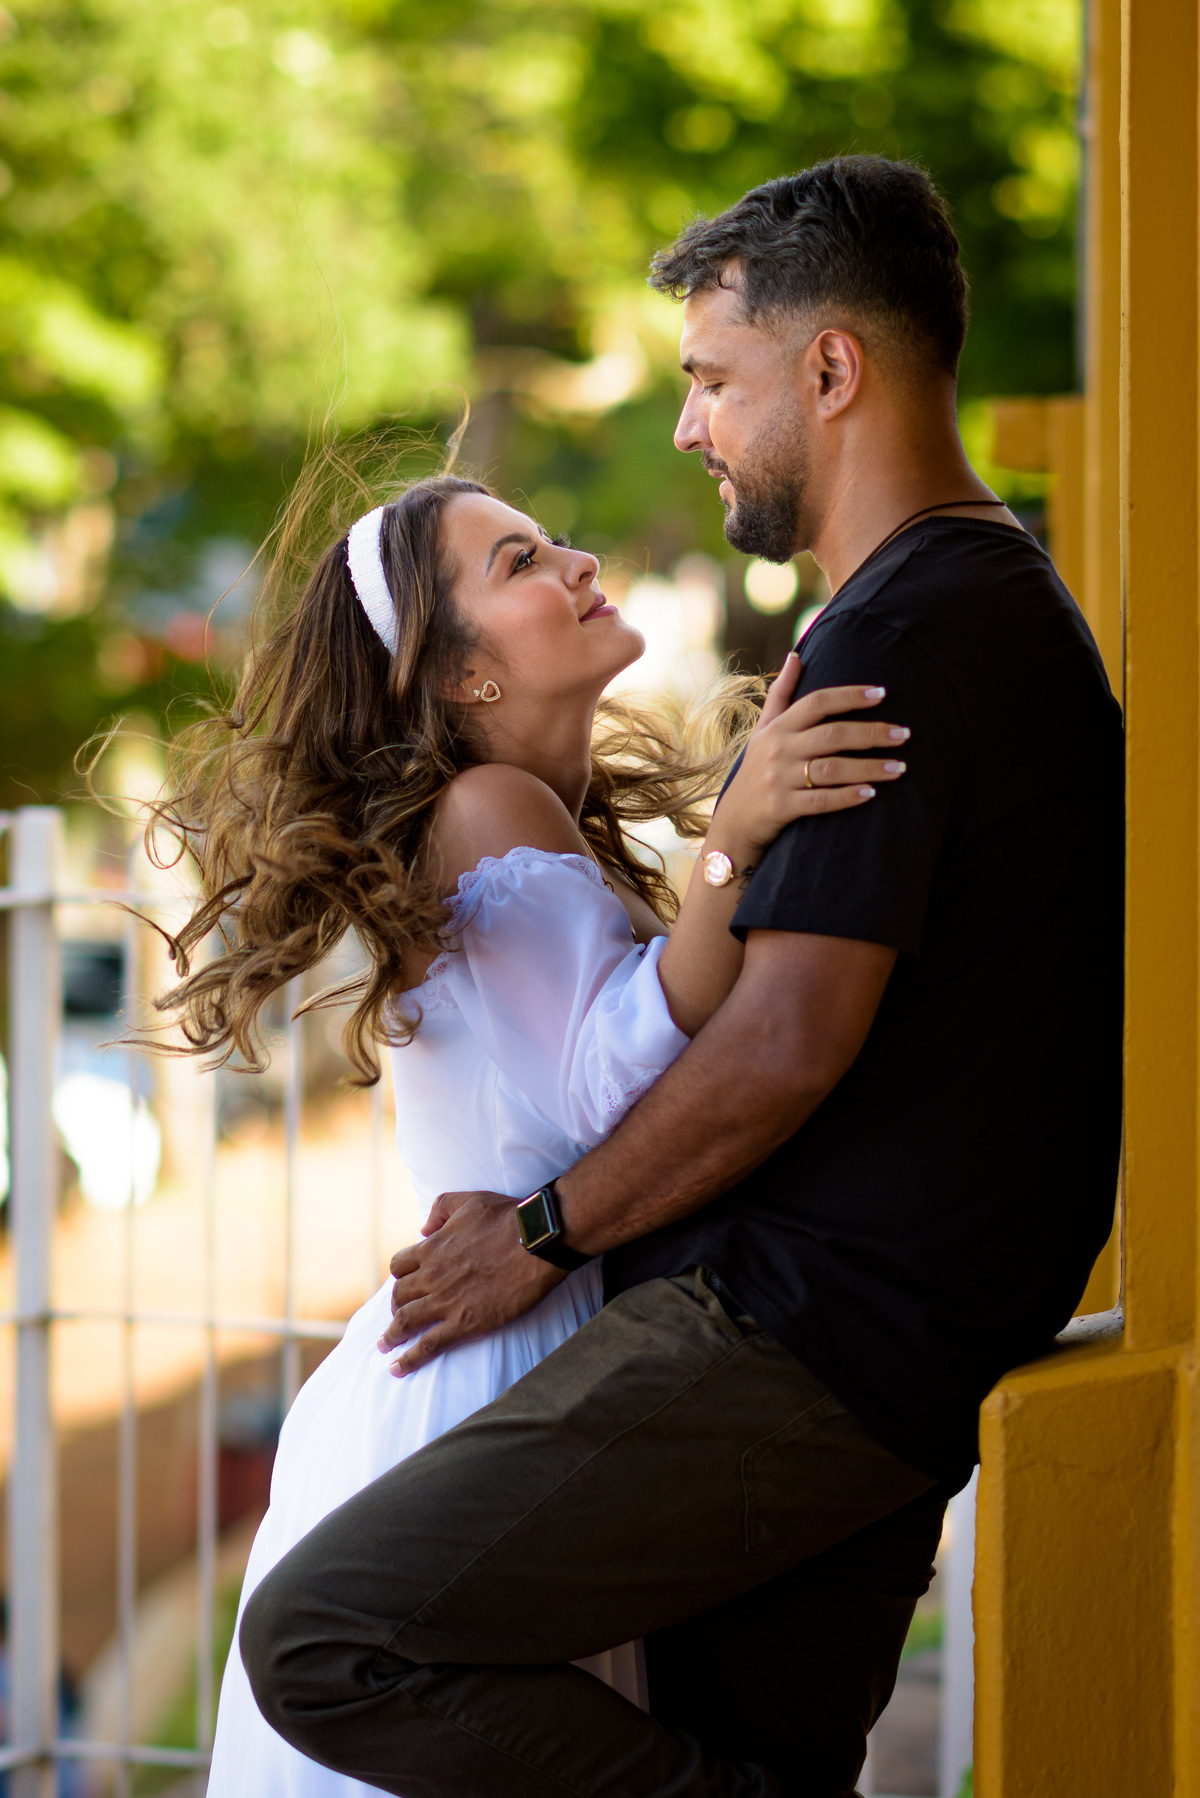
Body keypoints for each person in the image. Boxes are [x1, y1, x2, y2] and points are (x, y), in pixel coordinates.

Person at [238, 156, 1125, 1798]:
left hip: (805, 1336)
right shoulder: (940, 614)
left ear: (831, 370)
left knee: (325, 1637)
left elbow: (780, 1043)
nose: (687, 427)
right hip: (819, 1330)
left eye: (712, 379)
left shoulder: (905, 638)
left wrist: (544, 1234)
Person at [168, 452, 907, 1792]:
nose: (576, 561)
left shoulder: (527, 818)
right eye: (519, 563)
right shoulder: (486, 806)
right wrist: (734, 846)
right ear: (465, 678)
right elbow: (618, 1081)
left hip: (505, 1343)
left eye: (553, 538)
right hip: (488, 1363)